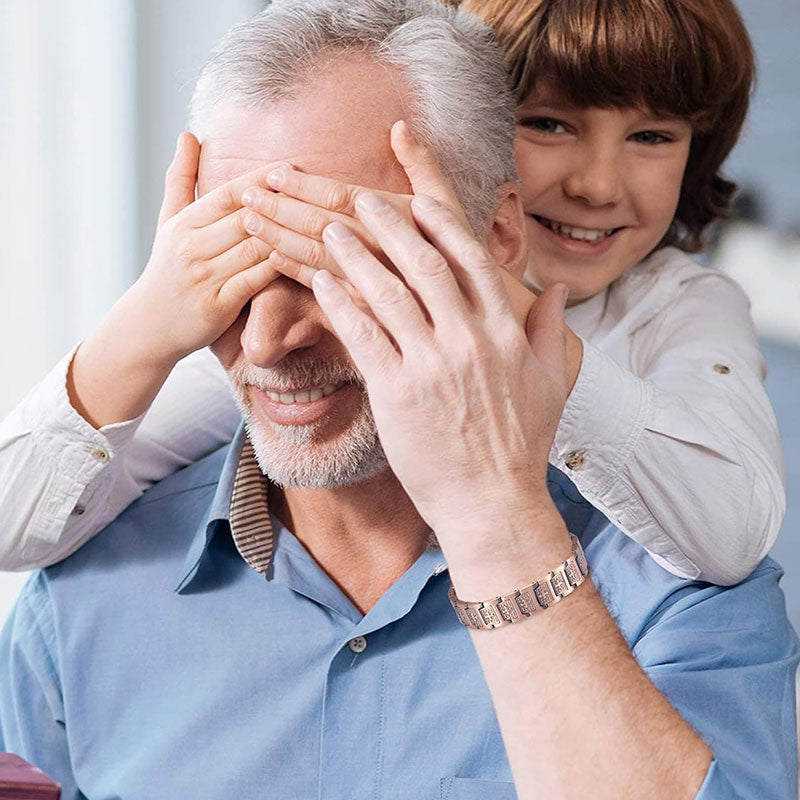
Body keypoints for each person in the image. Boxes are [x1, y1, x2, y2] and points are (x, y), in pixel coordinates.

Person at [0, 2, 796, 799]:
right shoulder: (86, 592)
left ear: (494, 228)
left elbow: (731, 528)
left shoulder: (673, 578)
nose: (273, 339)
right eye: (247, 262)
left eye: (357, 259)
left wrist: (483, 332)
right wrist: (145, 321)